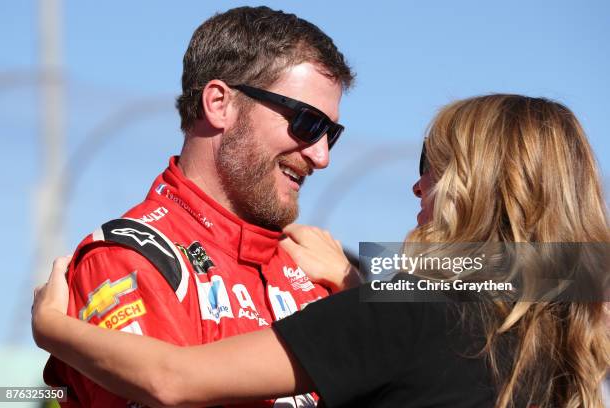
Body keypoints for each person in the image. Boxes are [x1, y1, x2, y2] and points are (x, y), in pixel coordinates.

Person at [34, 95, 610, 407]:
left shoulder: (404, 315)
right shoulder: (559, 319)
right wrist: (358, 279)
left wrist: (52, 326)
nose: (417, 185)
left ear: (472, 184)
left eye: (429, 165)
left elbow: (171, 380)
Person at [43, 6, 357, 408]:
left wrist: (355, 288)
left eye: (332, 134)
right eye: (308, 123)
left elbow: (431, 360)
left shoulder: (315, 266)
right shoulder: (128, 258)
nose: (321, 156)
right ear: (219, 103)